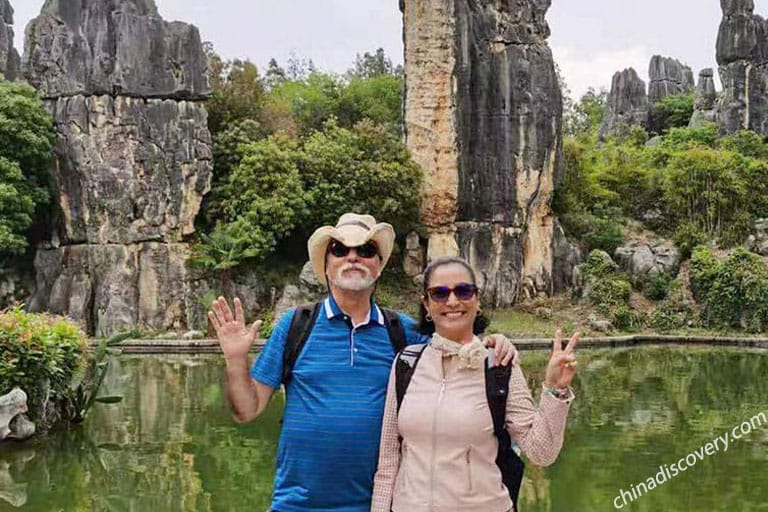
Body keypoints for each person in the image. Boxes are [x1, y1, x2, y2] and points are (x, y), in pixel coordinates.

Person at [207, 213, 518, 512]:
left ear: (379, 266)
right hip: (296, 504)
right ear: (326, 266)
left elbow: (458, 348)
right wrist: (236, 360)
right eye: (340, 250)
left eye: (366, 250)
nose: (352, 257)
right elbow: (246, 411)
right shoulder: (296, 326)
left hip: (379, 503)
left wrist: (494, 343)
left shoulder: (404, 333)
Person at [370, 256, 579, 512]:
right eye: (439, 293)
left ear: (477, 301)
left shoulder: (499, 366)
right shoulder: (407, 363)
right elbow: (389, 460)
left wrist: (554, 391)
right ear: (426, 304)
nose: (452, 301)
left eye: (463, 291)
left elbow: (541, 451)